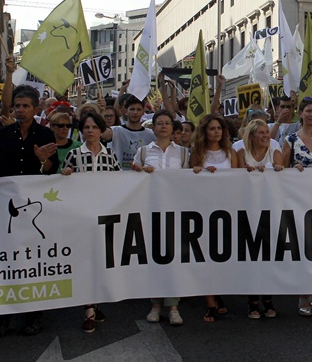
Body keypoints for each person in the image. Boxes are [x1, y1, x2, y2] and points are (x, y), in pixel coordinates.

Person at [0, 84, 58, 338]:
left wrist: (42, 159)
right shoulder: (2, 133)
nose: (20, 110)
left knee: (33, 260)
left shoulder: (45, 133)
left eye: (25, 106)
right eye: (17, 106)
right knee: (5, 260)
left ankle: (33, 315)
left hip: (34, 208)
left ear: (35, 109)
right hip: (6, 207)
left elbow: (50, 171)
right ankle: (2, 316)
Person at [276, 97, 312, 316]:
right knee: (303, 246)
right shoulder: (290, 140)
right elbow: (280, 168)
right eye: (308, 111)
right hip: (299, 200)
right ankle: (303, 292)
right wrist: (293, 168)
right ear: (300, 114)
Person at [60, 112, 120, 332]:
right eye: (86, 127)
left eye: (95, 127)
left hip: (104, 216)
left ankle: (95, 303)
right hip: (82, 218)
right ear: (81, 131)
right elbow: (62, 186)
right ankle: (89, 309)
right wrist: (66, 174)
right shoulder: (74, 155)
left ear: (101, 130)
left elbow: (120, 185)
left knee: (100, 262)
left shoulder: (110, 156)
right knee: (85, 262)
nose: (91, 131)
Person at [132, 110, 187, 327]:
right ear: (153, 127)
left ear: (173, 129)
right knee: (155, 257)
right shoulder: (144, 151)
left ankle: (173, 306)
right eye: (159, 123)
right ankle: (155, 304)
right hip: (151, 209)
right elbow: (134, 177)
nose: (163, 126)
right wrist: (138, 171)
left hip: (176, 209)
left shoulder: (183, 153)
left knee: (173, 258)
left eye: (167, 123)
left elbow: (191, 179)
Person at [189, 114, 240, 320]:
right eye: (212, 128)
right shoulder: (197, 152)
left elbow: (238, 179)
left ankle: (218, 293)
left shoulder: (230, 152)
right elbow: (191, 177)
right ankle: (210, 301)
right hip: (204, 209)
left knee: (222, 255)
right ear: (204, 131)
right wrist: (201, 172)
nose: (216, 131)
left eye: (219, 128)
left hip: (226, 209)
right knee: (205, 256)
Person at [105, 94, 155, 169]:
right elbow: (100, 133)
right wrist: (101, 111)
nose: (135, 112)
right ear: (126, 111)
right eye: (132, 109)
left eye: (138, 109)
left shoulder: (151, 135)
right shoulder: (115, 131)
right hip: (120, 175)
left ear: (143, 112)